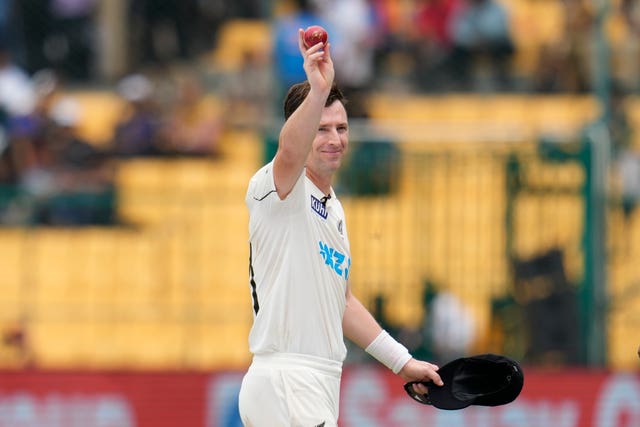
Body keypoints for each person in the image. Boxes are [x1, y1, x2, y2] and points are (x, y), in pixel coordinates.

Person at [238, 29, 443, 426]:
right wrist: (318, 89)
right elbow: (289, 151)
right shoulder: (277, 186)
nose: (335, 139)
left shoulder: (333, 210)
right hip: (286, 379)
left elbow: (343, 303)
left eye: (342, 128)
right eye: (322, 128)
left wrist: (402, 362)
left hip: (318, 383)